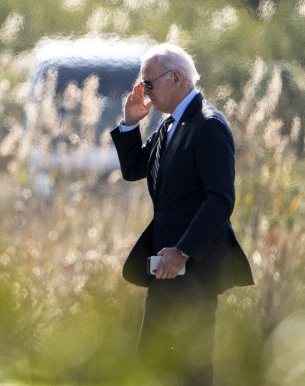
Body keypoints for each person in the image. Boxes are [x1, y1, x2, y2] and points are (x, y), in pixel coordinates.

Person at [110, 43, 254, 385]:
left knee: (192, 371)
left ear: (176, 78)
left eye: (149, 84)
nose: (144, 92)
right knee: (150, 366)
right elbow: (134, 170)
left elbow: (220, 199)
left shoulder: (208, 125)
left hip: (193, 271)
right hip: (164, 270)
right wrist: (130, 125)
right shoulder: (169, 126)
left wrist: (183, 251)